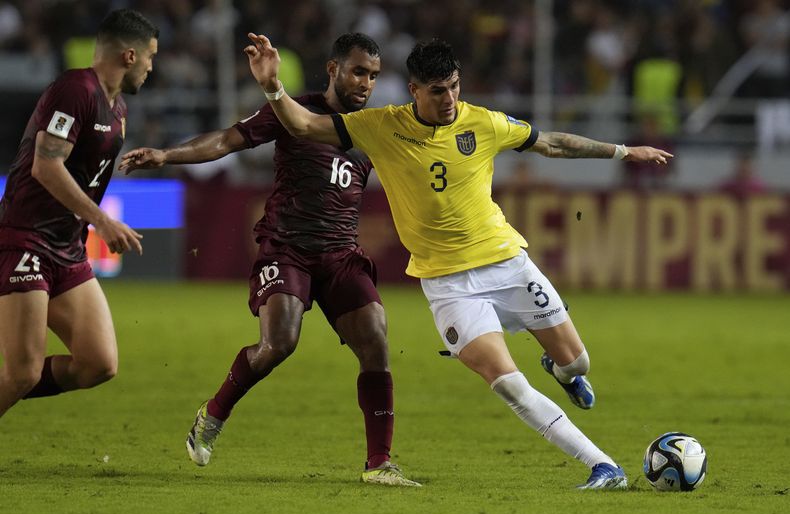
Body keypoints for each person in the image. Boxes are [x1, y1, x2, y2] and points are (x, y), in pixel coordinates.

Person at [243, 33, 673, 489]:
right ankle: (603, 465)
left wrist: (624, 151)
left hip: (508, 264)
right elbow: (305, 126)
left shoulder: (483, 123)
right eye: (437, 90)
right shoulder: (381, 126)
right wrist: (273, 87)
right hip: (448, 286)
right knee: (507, 382)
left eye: (453, 86)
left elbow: (552, 143)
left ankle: (563, 371)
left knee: (578, 362)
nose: (448, 99)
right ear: (415, 91)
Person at [119, 33, 420, 487]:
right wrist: (167, 154)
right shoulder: (292, 111)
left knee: (376, 339)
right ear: (334, 69)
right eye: (359, 71)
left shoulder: (374, 128)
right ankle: (213, 414)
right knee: (279, 343)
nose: (366, 83)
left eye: (374, 75)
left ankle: (378, 463)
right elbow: (226, 140)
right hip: (288, 247)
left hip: (340, 253)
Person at [0, 10, 158, 419]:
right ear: (128, 55)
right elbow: (45, 166)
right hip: (25, 239)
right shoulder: (75, 89)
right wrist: (102, 220)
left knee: (98, 363)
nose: (150, 67)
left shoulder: (118, 109)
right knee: (21, 375)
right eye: (149, 57)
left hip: (65, 249)